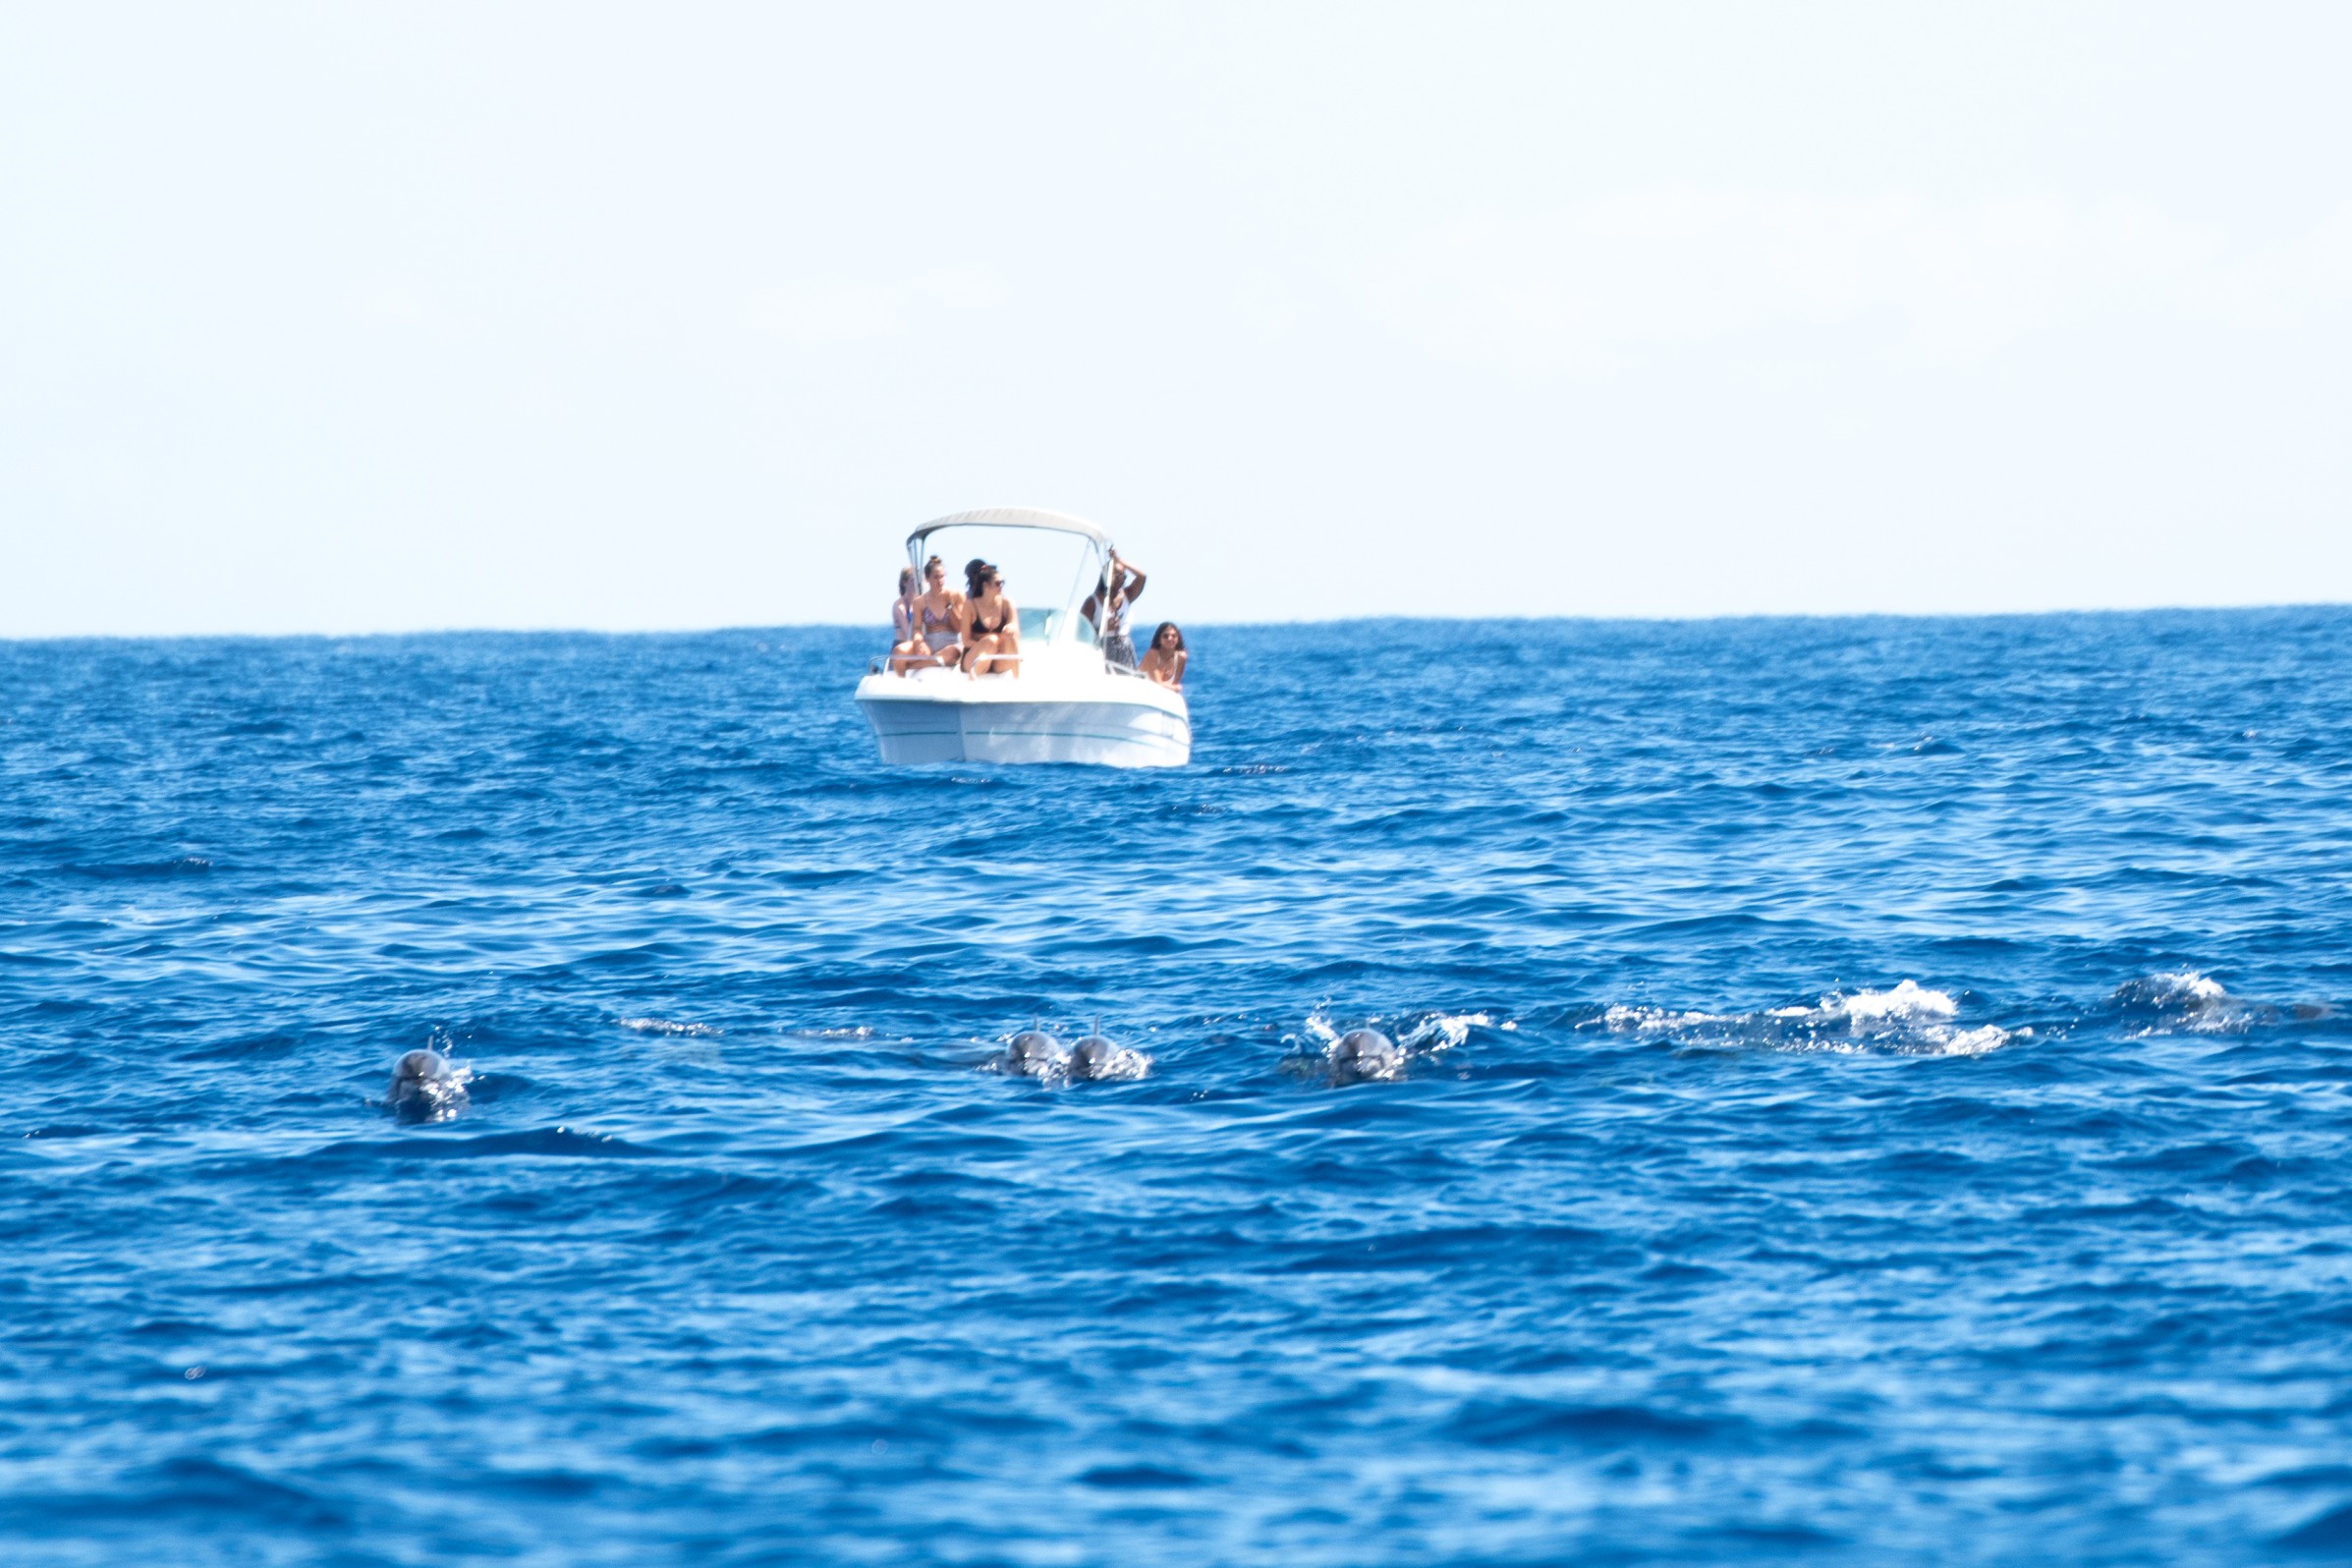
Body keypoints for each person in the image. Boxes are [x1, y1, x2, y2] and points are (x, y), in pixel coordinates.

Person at [1081, 553, 1147, 669]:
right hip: (1103, 648)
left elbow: (1142, 577)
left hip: (1125, 647)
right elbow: (1081, 632)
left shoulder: (1127, 595)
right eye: (1116, 576)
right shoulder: (1092, 602)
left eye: (1123, 576)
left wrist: (1120, 560)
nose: (1120, 580)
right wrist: (1104, 628)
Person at [962, 560, 1020, 677]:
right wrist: (988, 642)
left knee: (1011, 637)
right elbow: (966, 641)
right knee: (991, 641)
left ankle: (1017, 679)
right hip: (974, 657)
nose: (1001, 586)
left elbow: (1016, 630)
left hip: (997, 660)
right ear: (986, 585)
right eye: (998, 583)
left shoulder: (1007, 603)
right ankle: (972, 679)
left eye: (1003, 582)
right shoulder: (970, 606)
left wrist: (1009, 627)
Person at [914, 554, 964, 669]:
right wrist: (919, 643)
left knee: (952, 651)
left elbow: (959, 628)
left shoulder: (956, 596)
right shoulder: (919, 602)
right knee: (899, 650)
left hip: (952, 642)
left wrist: (949, 606)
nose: (940, 581)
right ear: (927, 579)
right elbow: (917, 629)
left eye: (942, 576)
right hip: (930, 643)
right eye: (936, 577)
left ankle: (918, 665)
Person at [887, 567, 928, 673]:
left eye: (918, 580)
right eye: (912, 580)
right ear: (904, 583)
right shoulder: (899, 606)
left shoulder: (922, 603)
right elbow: (908, 631)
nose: (916, 583)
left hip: (917, 645)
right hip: (902, 646)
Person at [1139, 621, 1187, 688]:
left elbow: (1174, 685)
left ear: (1178, 639)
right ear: (1159, 639)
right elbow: (1158, 684)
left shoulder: (1181, 658)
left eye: (1174, 636)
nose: (1170, 638)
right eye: (1165, 636)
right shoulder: (1152, 654)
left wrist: (1175, 688)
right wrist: (1176, 688)